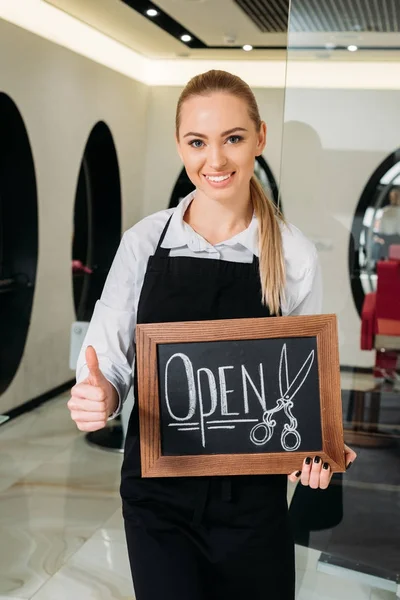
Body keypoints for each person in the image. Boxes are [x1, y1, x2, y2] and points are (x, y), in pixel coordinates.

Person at [68, 70, 357, 600]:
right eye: (198, 142)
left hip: (253, 504)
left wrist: (316, 450)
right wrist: (101, 395)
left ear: (260, 139)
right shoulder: (143, 243)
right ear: (180, 144)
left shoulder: (293, 253)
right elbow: (108, 362)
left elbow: (302, 377)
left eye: (234, 139)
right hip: (156, 498)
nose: (216, 161)